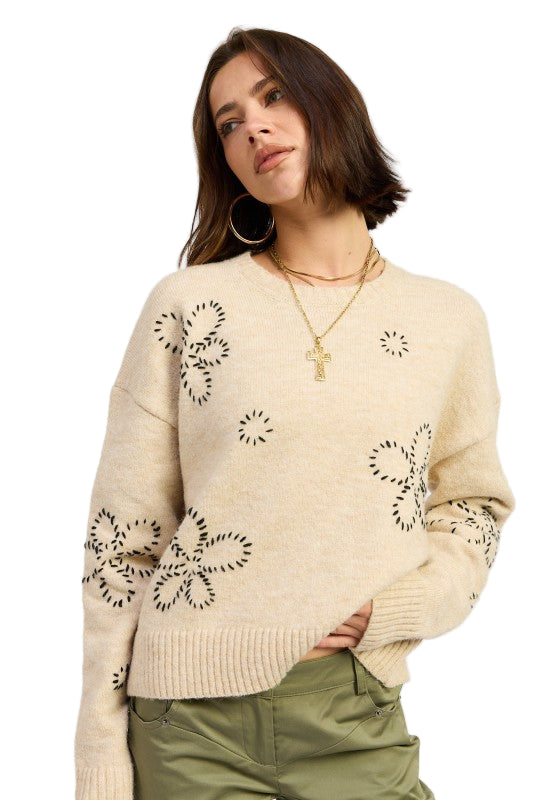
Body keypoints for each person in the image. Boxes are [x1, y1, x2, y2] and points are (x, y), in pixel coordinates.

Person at [74, 26, 516, 800]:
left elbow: (472, 505)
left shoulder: (446, 319)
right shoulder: (189, 305)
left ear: (330, 106)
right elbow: (121, 549)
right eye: (229, 123)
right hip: (185, 728)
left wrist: (404, 607)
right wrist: (101, 763)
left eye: (272, 97)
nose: (253, 128)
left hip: (351, 709)